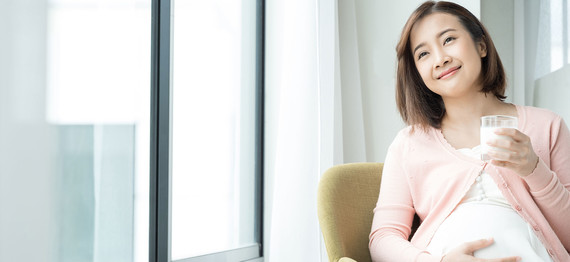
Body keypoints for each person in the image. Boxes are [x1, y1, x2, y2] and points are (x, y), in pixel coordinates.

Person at [368, 1, 570, 261]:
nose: (441, 59)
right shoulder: (408, 144)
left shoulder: (548, 126)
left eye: (449, 39)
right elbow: (383, 238)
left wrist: (534, 169)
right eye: (423, 54)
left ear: (481, 45)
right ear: (417, 72)